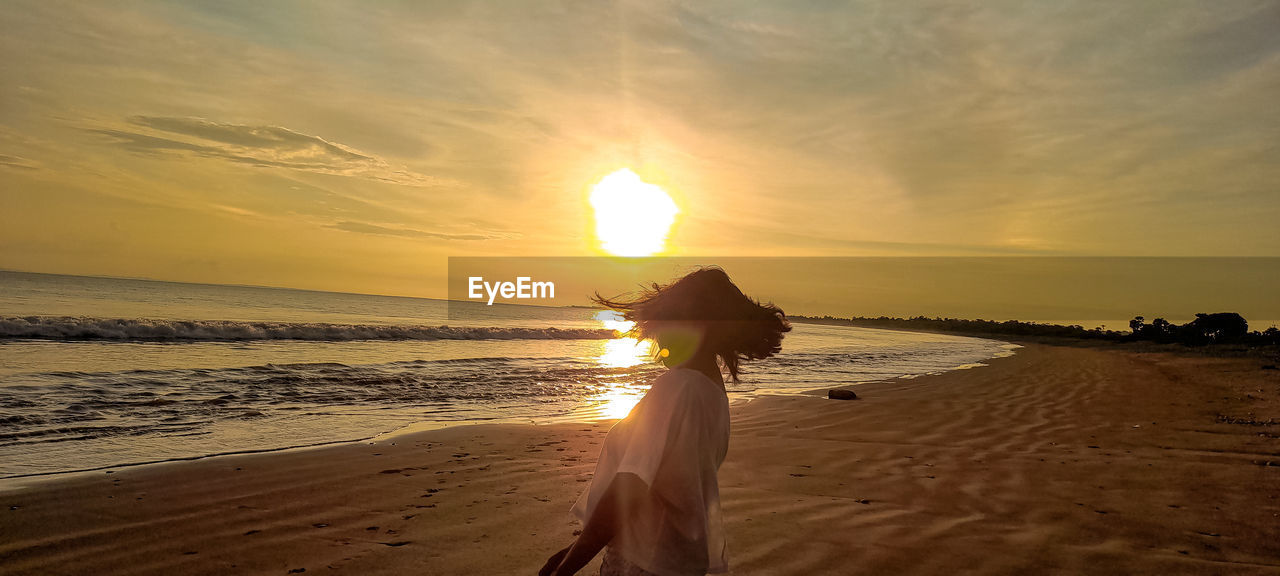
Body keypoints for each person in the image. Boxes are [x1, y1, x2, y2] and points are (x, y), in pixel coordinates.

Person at [540, 267, 790, 576]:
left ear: (700, 326)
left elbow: (629, 489)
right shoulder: (713, 394)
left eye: (666, 323)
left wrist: (569, 566)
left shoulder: (678, 388)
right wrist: (572, 550)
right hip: (679, 561)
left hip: (644, 564)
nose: (656, 338)